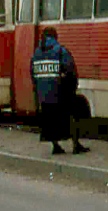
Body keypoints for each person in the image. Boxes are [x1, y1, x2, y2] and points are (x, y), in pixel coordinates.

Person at [30, 27, 89, 155]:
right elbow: (70, 70)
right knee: (73, 115)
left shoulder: (36, 54)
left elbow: (33, 74)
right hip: (60, 94)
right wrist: (72, 87)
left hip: (44, 96)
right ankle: (75, 145)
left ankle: (56, 146)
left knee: (49, 123)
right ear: (55, 37)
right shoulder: (61, 51)